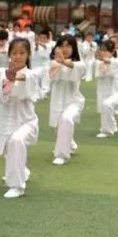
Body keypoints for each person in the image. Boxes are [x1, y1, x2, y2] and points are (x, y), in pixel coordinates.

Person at [0, 38, 39, 199]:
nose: (18, 56)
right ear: (9, 54)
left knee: (16, 141)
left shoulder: (31, 74)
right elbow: (0, 96)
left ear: (28, 55)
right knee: (10, 149)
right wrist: (7, 81)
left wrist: (14, 78)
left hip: (27, 122)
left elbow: (27, 80)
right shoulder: (1, 73)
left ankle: (17, 186)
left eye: (22, 53)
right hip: (6, 122)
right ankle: (22, 171)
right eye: (14, 53)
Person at [47, 35, 86, 166]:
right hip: (57, 101)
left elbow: (76, 69)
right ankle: (70, 143)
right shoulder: (53, 63)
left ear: (73, 48)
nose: (64, 49)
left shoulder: (79, 64)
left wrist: (62, 62)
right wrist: (58, 62)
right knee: (60, 126)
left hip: (74, 101)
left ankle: (61, 155)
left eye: (68, 46)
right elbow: (51, 77)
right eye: (62, 45)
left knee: (66, 119)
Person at [94, 40, 118, 139]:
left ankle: (106, 130)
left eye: (106, 51)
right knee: (104, 108)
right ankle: (113, 126)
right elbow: (99, 75)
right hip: (102, 89)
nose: (103, 53)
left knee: (107, 105)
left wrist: (105, 62)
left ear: (113, 51)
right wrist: (102, 63)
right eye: (101, 50)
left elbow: (113, 66)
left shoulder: (116, 61)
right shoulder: (98, 63)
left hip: (115, 91)